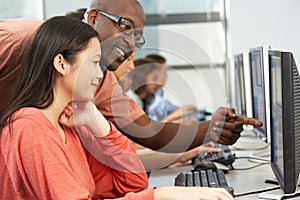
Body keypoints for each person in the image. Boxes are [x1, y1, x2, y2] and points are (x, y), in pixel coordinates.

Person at [0, 15, 234, 200]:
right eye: (94, 62)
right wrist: (159, 195)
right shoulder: (31, 126)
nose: (101, 73)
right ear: (61, 63)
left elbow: (132, 182)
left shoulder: (71, 125)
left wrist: (99, 124)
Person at [0, 0, 262, 155]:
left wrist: (211, 129)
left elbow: (149, 131)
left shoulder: (100, 78)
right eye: (126, 28)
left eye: (137, 37)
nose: (131, 44)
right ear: (93, 18)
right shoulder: (19, 39)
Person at [113, 56, 221, 171]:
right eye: (158, 75)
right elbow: (135, 147)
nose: (163, 78)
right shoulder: (129, 101)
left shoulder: (145, 99)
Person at [145, 54, 208, 123]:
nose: (167, 76)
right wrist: (173, 116)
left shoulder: (158, 93)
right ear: (155, 75)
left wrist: (182, 110)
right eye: (164, 72)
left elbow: (167, 107)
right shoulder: (146, 98)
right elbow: (154, 127)